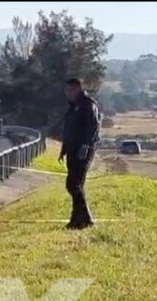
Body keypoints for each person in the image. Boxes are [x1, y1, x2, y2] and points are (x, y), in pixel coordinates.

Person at [59, 77, 101, 229]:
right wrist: (63, 150)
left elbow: (93, 129)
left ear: (78, 89)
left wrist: (85, 146)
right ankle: (78, 219)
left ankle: (85, 218)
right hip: (72, 150)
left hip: (83, 151)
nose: (67, 93)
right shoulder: (73, 107)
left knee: (74, 184)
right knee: (74, 185)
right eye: (66, 90)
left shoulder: (88, 106)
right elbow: (68, 130)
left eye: (70, 90)